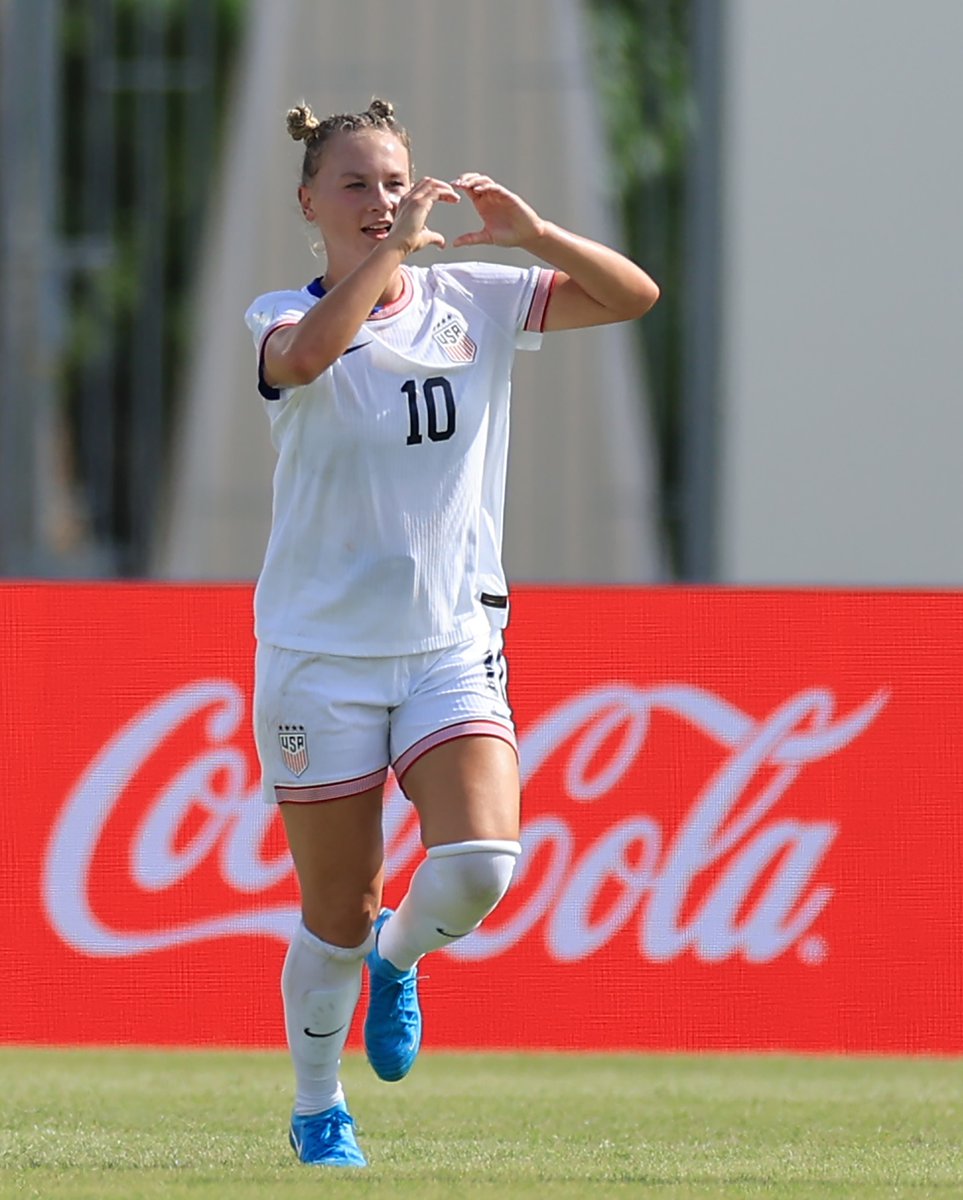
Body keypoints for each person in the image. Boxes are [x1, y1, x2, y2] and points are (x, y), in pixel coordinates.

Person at [244, 96, 659, 1169]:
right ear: (310, 202)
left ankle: (400, 962)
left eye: (394, 182)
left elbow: (633, 296)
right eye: (356, 184)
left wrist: (533, 235)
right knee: (335, 909)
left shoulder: (470, 294)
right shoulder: (276, 315)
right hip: (319, 657)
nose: (382, 201)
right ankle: (317, 1105)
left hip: (447, 640)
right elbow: (317, 355)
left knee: (479, 862)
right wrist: (385, 266)